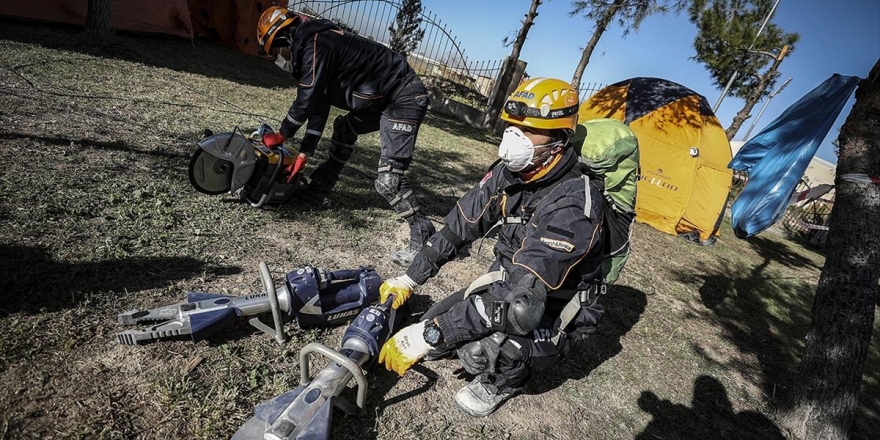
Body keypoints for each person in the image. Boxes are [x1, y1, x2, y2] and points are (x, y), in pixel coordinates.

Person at [376, 77, 610, 417]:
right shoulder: (511, 173)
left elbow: (521, 300)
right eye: (512, 126)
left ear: (559, 139)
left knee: (487, 350)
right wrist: (411, 278)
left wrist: (431, 334)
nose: (513, 138)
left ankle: (506, 381)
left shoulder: (574, 204)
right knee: (437, 323)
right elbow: (460, 226)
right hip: (507, 286)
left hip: (556, 311)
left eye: (528, 131)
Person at [256, 6, 436, 266]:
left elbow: (305, 100)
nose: (278, 59)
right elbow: (318, 106)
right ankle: (319, 189)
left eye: (276, 51)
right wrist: (304, 154)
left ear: (284, 38)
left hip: (403, 97)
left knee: (388, 181)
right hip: (383, 97)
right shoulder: (315, 43)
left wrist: (282, 135)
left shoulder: (316, 44)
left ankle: (423, 233)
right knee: (344, 128)